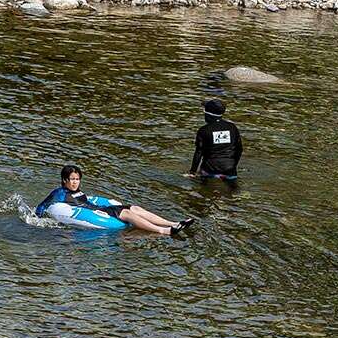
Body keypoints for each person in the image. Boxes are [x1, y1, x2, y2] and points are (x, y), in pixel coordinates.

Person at [37, 164, 191, 235]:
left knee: (134, 208)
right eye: (72, 179)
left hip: (99, 209)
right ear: (64, 180)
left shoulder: (78, 191)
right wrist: (37, 219)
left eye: (77, 179)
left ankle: (173, 223)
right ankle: (163, 231)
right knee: (127, 214)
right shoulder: (59, 193)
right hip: (96, 212)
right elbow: (43, 205)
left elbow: (89, 201)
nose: (75, 182)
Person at [187, 98, 243, 181]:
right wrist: (232, 165)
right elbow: (239, 150)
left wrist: (192, 172)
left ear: (207, 115)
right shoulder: (232, 127)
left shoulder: (204, 130)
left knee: (204, 192)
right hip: (230, 171)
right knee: (232, 191)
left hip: (210, 171)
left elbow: (199, 152)